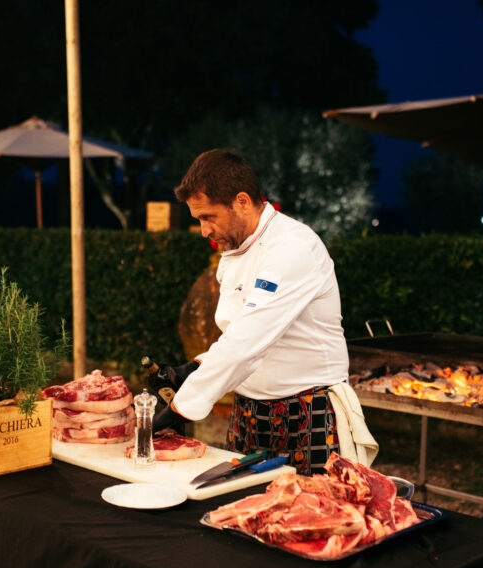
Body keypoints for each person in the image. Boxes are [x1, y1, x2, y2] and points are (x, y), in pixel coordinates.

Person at [152, 149, 376, 473]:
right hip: (249, 412)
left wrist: (181, 408)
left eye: (207, 217)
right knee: (240, 512)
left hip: (308, 411)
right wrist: (195, 367)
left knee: (310, 519)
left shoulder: (293, 247)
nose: (203, 231)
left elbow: (249, 340)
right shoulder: (235, 248)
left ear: (242, 201)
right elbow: (237, 331)